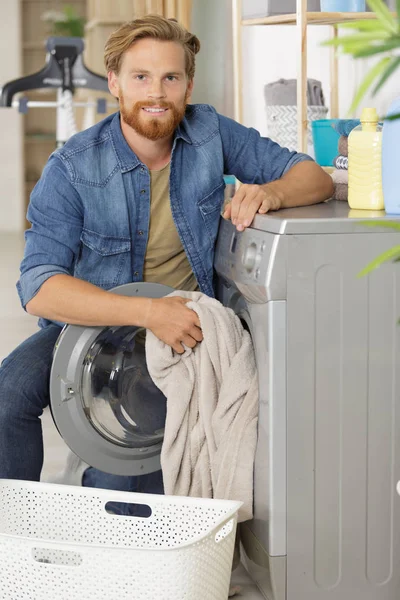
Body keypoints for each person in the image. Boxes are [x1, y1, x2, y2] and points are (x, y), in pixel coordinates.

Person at [0, 15, 333, 493]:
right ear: (114, 82)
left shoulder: (210, 132)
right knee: (8, 391)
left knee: (124, 474)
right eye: (141, 77)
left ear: (187, 85)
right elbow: (38, 287)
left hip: (185, 326)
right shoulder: (71, 167)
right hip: (94, 322)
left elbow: (314, 177)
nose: (156, 93)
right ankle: (14, 535)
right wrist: (147, 312)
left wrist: (271, 193)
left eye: (170, 78)